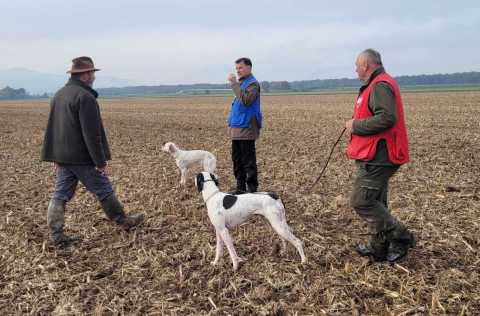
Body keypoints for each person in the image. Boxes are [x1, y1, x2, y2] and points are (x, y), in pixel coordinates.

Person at [41, 56, 144, 246]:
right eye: (92, 73)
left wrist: (55, 155)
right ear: (86, 75)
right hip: (82, 157)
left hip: (63, 156)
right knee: (104, 189)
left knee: (60, 194)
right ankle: (123, 221)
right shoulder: (85, 97)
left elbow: (53, 127)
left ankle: (56, 234)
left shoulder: (59, 94)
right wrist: (100, 161)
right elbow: (91, 134)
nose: (94, 77)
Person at [345, 49, 415, 263]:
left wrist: (355, 125)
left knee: (362, 201)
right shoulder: (377, 84)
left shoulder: (380, 85)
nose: (356, 69)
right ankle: (379, 248)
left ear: (366, 65)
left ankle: (402, 236)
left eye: (357, 65)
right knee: (376, 201)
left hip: (379, 155)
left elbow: (386, 118)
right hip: (375, 153)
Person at [227, 57, 262, 193]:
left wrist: (234, 84)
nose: (238, 71)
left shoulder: (253, 84)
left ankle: (252, 190)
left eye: (240, 68)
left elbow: (246, 101)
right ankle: (240, 188)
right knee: (237, 161)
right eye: (236, 69)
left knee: (248, 161)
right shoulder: (241, 84)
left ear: (249, 67)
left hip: (247, 127)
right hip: (236, 128)